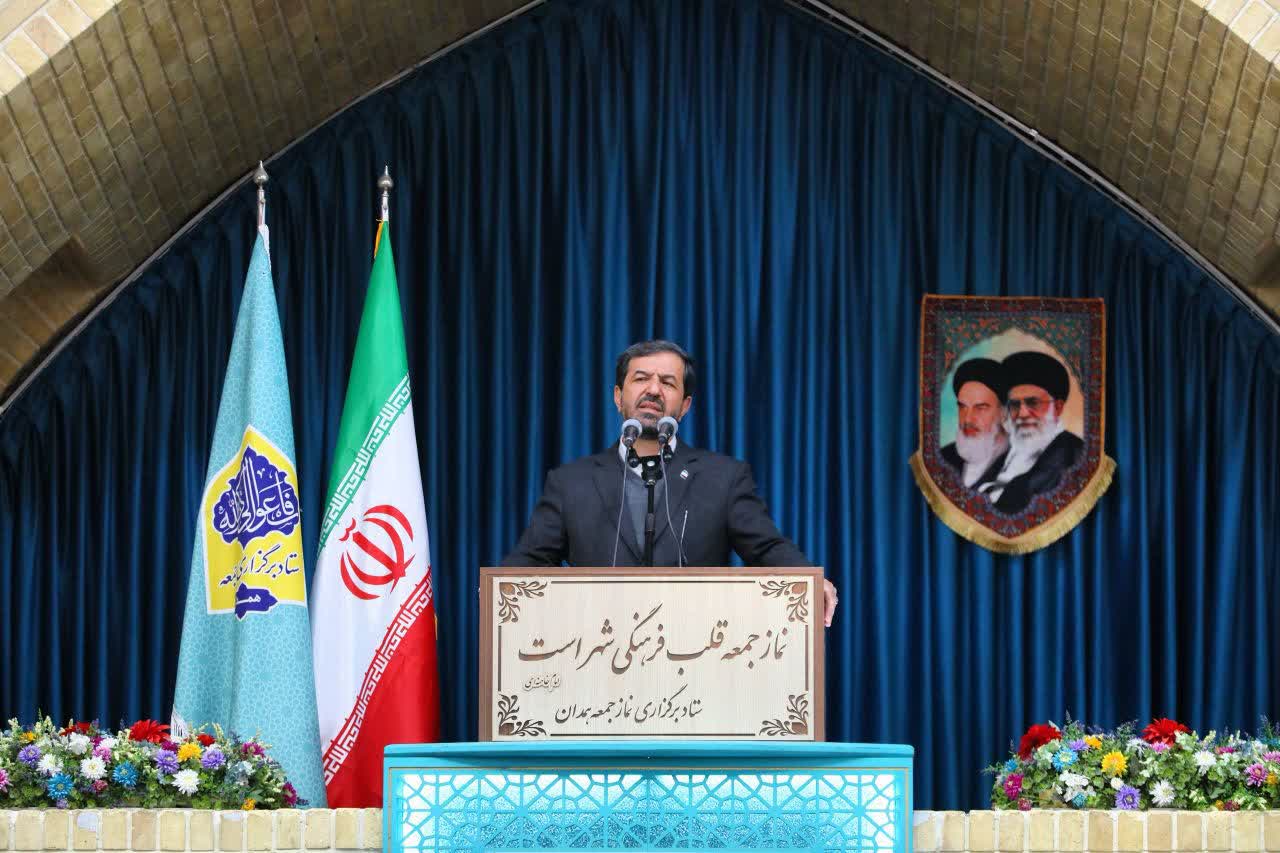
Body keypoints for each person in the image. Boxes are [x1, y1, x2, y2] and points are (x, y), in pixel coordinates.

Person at [502, 340, 838, 626]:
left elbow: (766, 549)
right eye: (641, 379)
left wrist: (810, 579)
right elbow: (529, 563)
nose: (653, 390)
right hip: (595, 653)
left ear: (685, 405)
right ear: (618, 396)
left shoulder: (723, 478)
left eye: (668, 382)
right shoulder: (570, 483)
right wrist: (497, 591)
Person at [978, 350, 1084, 514]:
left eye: (1033, 403)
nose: (1022, 414)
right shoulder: (1004, 450)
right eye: (1014, 405)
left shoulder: (1075, 456)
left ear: (1057, 407)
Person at [939, 357, 1009, 489]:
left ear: (1004, 412)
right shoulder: (943, 458)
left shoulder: (1019, 462)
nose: (967, 419)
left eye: (980, 408)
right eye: (963, 407)